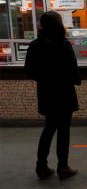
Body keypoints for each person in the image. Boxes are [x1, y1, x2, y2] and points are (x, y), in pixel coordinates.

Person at [24, 11, 80, 180]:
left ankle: (41, 166)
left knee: (48, 129)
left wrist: (44, 79)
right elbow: (73, 70)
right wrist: (75, 80)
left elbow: (29, 71)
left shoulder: (35, 45)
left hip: (46, 93)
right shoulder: (64, 45)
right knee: (63, 131)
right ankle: (63, 167)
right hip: (64, 93)